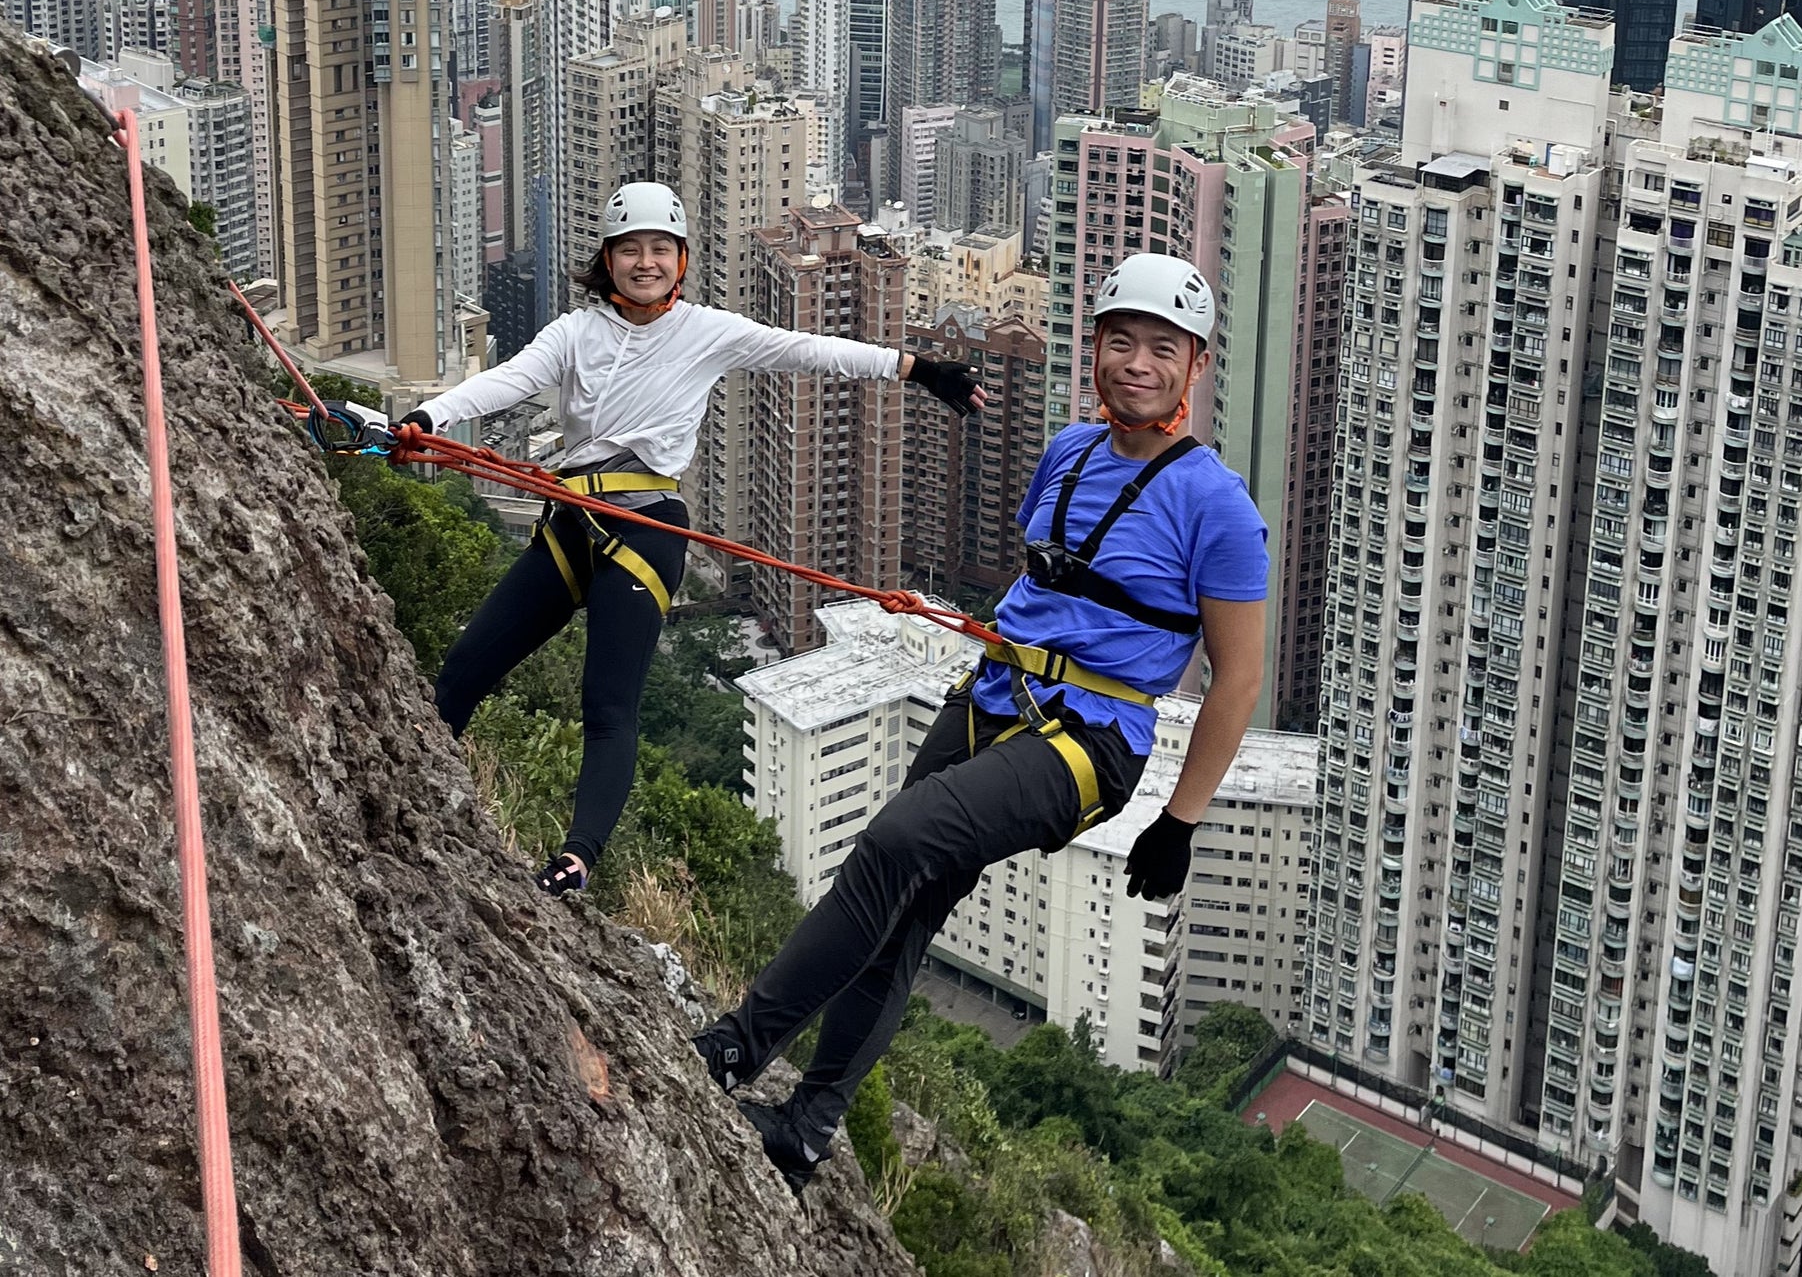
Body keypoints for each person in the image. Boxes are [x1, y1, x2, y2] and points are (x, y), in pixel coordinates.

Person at [693, 253, 1267, 1189]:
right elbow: (1043, 585)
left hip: (1093, 741)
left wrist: (1182, 821)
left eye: (1164, 349)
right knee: (905, 908)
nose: (1138, 363)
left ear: (1195, 368)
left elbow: (1238, 678)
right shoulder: (1067, 453)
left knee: (893, 841)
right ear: (1094, 350)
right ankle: (807, 1126)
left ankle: (733, 1048)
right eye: (1120, 341)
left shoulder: (1219, 507)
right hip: (994, 694)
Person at [398, 181, 983, 897]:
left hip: (647, 529)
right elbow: (509, 381)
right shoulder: (575, 333)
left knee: (607, 703)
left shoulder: (707, 330)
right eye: (630, 250)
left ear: (681, 261)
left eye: (659, 250)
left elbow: (808, 350)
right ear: (606, 261)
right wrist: (428, 417)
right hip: (572, 519)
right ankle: (408, 783)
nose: (645, 262)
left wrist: (917, 370)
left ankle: (578, 859)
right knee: (465, 666)